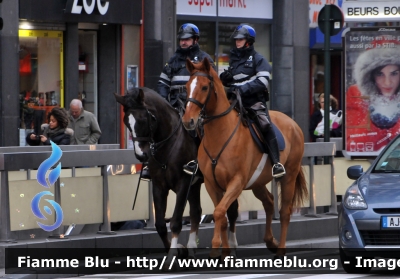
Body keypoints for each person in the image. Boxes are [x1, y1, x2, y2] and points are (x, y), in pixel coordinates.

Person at [140, 23, 216, 181]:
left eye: (187, 39)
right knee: (155, 126)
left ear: (195, 40)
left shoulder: (205, 59)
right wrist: (163, 102)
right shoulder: (173, 60)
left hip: (195, 105)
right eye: (181, 39)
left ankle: (197, 163)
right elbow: (162, 83)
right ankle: (150, 164)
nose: (183, 42)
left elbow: (212, 85)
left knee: (198, 128)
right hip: (174, 104)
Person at [219, 24, 285, 179]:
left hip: (253, 102)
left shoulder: (259, 59)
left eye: (240, 39)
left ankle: (276, 163)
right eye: (236, 40)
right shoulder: (234, 59)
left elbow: (262, 83)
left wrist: (241, 89)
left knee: (265, 124)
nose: (237, 42)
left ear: (248, 41)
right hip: (234, 101)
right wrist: (226, 78)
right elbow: (232, 81)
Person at [346, 40, 400, 152]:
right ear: (370, 76)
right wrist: (376, 122)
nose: (387, 83)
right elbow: (353, 143)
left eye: (394, 73)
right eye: (380, 74)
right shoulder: (356, 93)